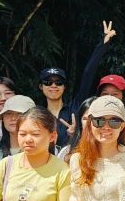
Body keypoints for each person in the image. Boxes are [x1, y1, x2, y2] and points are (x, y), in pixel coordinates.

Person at [38, 20, 116, 148]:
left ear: (64, 86)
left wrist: (103, 45)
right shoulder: (38, 113)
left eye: (58, 82)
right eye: (48, 82)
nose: (53, 86)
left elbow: (87, 74)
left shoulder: (76, 108)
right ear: (41, 87)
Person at [0, 94, 36, 165]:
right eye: (8, 113)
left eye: (20, 113)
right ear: (3, 118)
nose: (13, 118)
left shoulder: (42, 150)